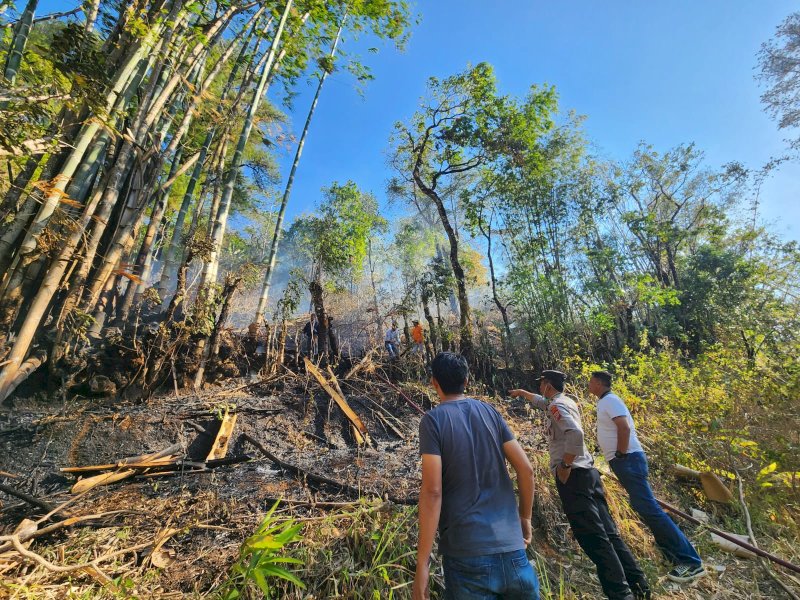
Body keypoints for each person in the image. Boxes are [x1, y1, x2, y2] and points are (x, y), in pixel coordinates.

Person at [510, 371, 650, 600]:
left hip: (573, 477)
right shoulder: (562, 402)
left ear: (547, 385)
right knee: (609, 534)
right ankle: (639, 586)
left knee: (594, 538)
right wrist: (523, 394)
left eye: (541, 384)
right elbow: (541, 402)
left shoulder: (557, 407)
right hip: (588, 474)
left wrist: (565, 465)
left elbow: (575, 433)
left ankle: (620, 593)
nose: (540, 389)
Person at [414, 352, 539, 600]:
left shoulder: (432, 421)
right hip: (514, 551)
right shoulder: (490, 412)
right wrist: (524, 518)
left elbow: (433, 491)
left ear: (434, 383)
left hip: (466, 558)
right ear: (467, 381)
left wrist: (422, 565)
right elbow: (526, 469)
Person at [589, 370, 705, 583]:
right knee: (644, 507)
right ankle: (673, 555)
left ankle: (691, 562)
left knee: (650, 509)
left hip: (629, 460)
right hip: (626, 461)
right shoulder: (606, 402)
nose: (589, 385)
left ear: (598, 383)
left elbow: (623, 428)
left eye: (591, 382)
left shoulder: (610, 400)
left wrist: (621, 454)